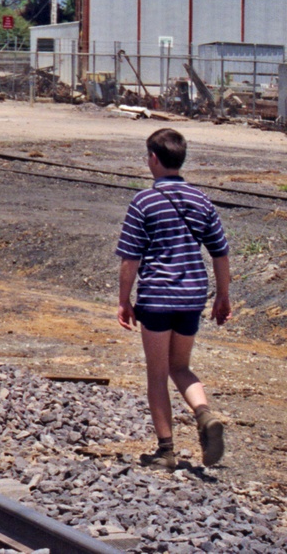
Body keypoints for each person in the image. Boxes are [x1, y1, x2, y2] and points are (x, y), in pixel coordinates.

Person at [116, 128, 232, 469]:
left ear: (154, 158)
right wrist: (222, 295)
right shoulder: (201, 201)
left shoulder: (144, 202)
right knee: (180, 366)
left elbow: (130, 259)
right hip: (192, 297)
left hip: (157, 297)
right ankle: (205, 415)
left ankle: (166, 451)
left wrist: (124, 300)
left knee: (157, 374)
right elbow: (220, 253)